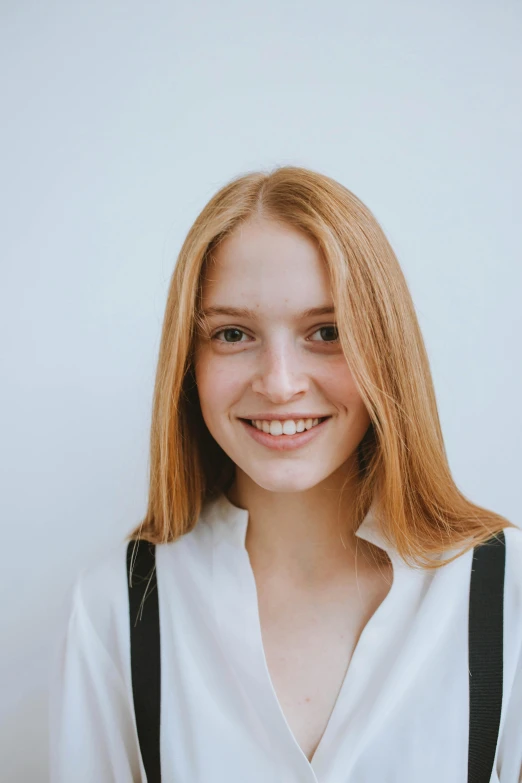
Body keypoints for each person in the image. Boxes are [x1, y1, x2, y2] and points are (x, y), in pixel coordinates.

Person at [48, 166, 522, 782]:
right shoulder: (118, 608)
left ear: (387, 347)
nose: (278, 383)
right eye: (233, 333)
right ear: (188, 363)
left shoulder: (505, 596)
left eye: (326, 332)